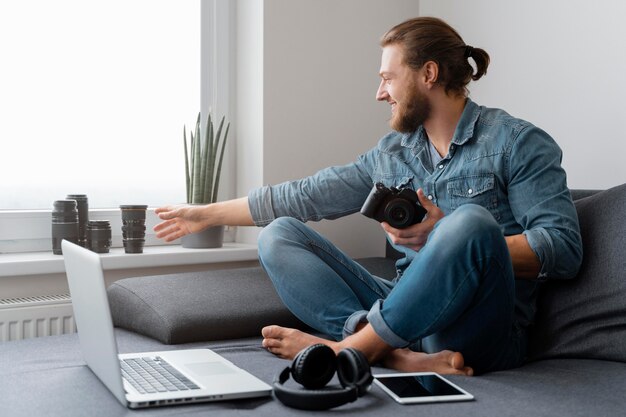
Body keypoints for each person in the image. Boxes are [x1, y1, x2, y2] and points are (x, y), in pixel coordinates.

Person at [153, 17, 582, 375]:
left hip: (479, 328)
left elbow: (562, 248)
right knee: (280, 234)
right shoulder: (393, 153)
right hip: (404, 309)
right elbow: (306, 196)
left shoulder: (517, 142)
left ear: (428, 74)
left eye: (387, 78)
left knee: (469, 223)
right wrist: (206, 215)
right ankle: (392, 352)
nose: (380, 93)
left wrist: (445, 236)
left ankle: (352, 349)